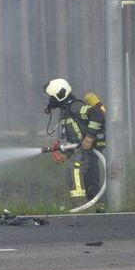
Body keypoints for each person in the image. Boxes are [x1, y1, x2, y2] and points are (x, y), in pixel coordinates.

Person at [44, 78, 106, 208]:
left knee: (75, 169)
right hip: (81, 149)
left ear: (59, 96)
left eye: (52, 97)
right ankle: (97, 205)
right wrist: (65, 154)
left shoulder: (75, 106)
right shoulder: (66, 111)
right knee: (90, 178)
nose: (50, 101)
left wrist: (89, 138)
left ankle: (79, 205)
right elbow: (74, 139)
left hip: (89, 148)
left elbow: (97, 115)